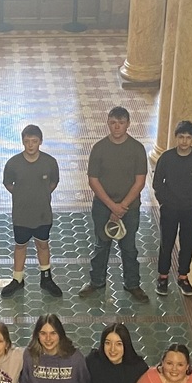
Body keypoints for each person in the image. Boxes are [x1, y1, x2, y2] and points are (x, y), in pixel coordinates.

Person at [78, 107, 149, 302]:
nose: (117, 127)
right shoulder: (99, 148)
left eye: (121, 123)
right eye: (113, 123)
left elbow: (140, 181)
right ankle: (97, 281)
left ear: (128, 124)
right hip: (103, 206)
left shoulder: (137, 149)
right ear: (108, 123)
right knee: (101, 245)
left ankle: (133, 284)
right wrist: (111, 206)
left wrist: (121, 207)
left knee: (129, 248)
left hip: (129, 208)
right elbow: (93, 180)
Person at [0, 124, 61, 298]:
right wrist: (22, 195)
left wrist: (40, 195)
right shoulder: (13, 163)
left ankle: (46, 278)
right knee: (20, 246)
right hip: (21, 215)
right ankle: (17, 279)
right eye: (27, 141)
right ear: (22, 142)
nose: (30, 145)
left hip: (43, 214)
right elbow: (8, 183)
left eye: (34, 141)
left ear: (40, 142)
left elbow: (53, 183)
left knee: (43, 244)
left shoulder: (49, 162)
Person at [152, 120, 192, 298]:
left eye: (188, 138)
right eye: (181, 137)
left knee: (187, 244)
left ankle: (183, 277)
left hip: (191, 210)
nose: (184, 141)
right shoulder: (167, 158)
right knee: (166, 243)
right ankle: (163, 277)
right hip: (170, 209)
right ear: (176, 138)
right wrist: (164, 202)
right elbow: (157, 183)